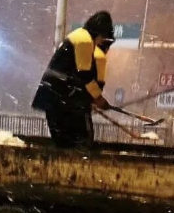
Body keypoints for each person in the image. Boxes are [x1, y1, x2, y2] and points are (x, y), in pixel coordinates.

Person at [32, 11, 116, 148]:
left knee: (66, 145)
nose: (102, 42)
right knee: (79, 144)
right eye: (104, 37)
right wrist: (97, 97)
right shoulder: (84, 41)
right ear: (100, 32)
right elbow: (84, 75)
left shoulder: (79, 36)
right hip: (60, 102)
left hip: (56, 99)